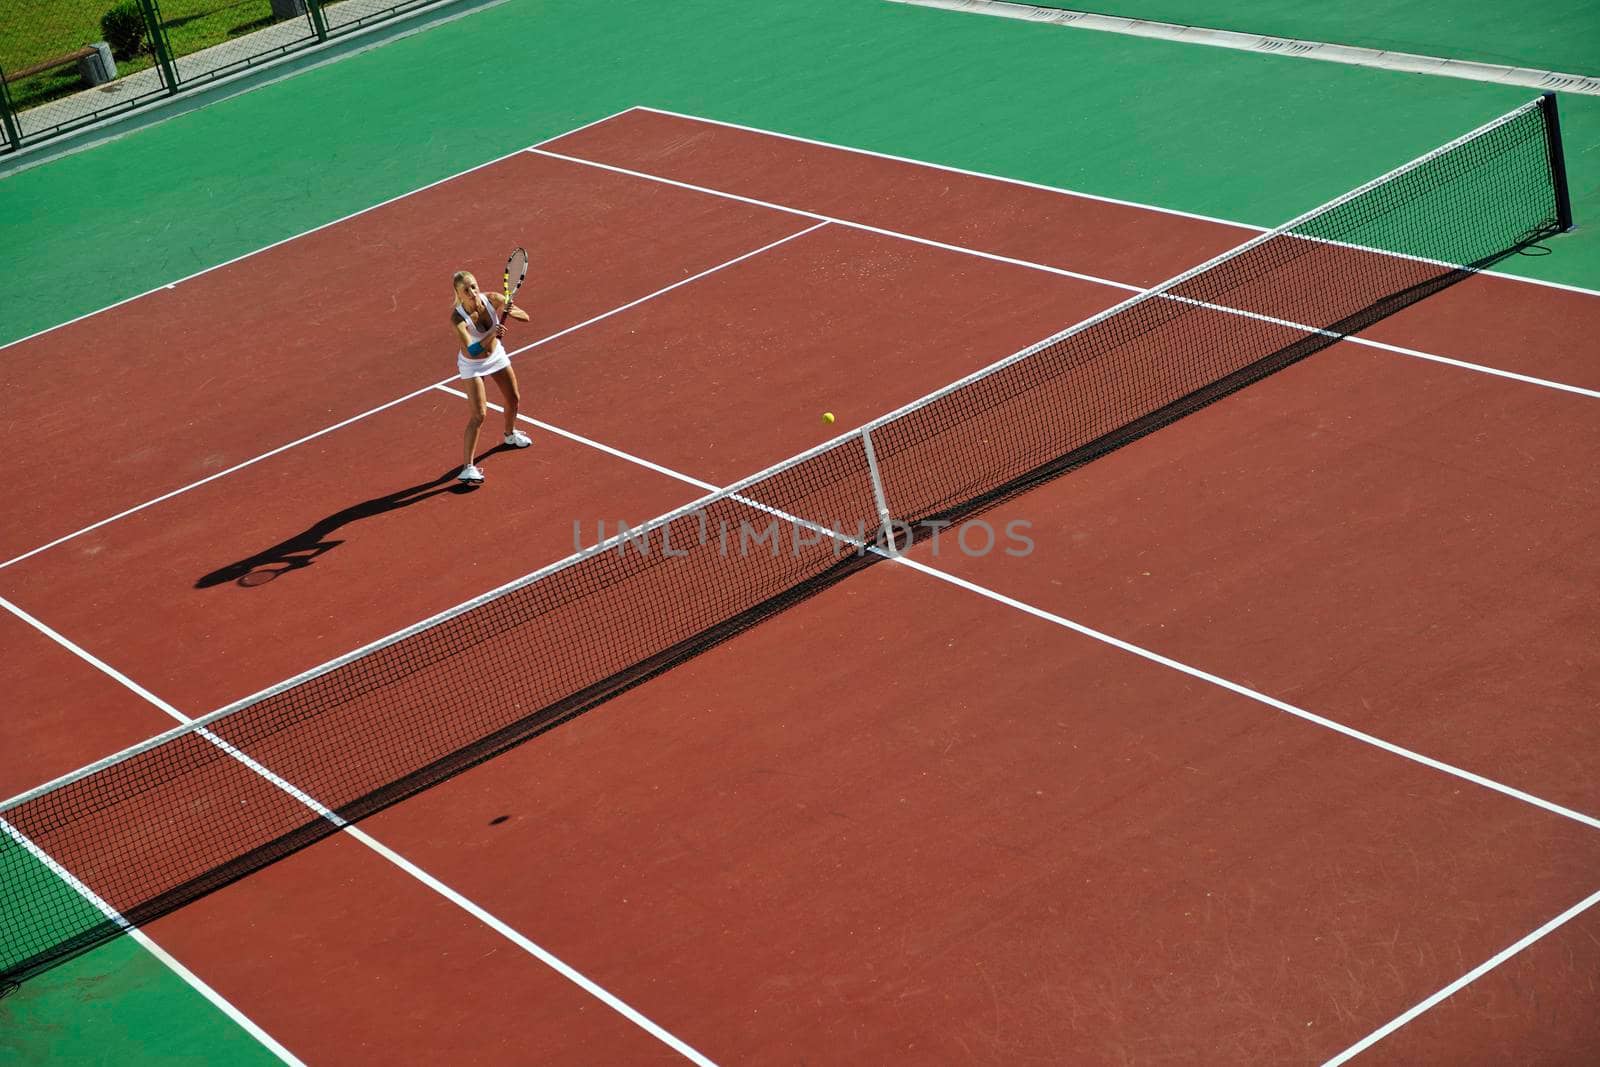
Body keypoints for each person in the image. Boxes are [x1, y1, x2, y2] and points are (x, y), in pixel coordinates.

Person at [451, 269, 532, 483]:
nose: (471, 292)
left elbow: (526, 317)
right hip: (472, 364)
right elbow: (474, 350)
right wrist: (492, 334)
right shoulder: (458, 318)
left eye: (473, 286)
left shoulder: (494, 298)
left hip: (496, 356)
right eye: (465, 290)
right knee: (479, 415)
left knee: (513, 398)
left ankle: (510, 435)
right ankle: (468, 467)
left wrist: (510, 310)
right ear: (458, 295)